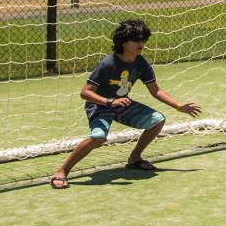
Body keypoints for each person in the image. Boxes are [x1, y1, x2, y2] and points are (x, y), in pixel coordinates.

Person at [51, 18, 201, 189]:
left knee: (157, 120)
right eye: (136, 39)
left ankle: (135, 158)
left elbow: (156, 90)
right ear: (123, 41)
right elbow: (85, 93)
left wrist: (178, 105)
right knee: (99, 137)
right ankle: (62, 171)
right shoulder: (108, 63)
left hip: (122, 104)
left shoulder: (141, 62)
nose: (141, 43)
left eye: (143, 39)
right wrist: (109, 101)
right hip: (100, 105)